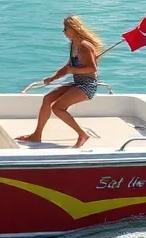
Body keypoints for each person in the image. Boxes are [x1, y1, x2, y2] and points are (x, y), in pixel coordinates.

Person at [18, 15, 102, 147]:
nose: (64, 32)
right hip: (77, 83)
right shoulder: (73, 44)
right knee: (47, 99)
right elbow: (68, 66)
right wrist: (52, 78)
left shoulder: (84, 46)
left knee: (57, 108)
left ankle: (82, 134)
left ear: (73, 29)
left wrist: (72, 70)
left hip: (87, 85)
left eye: (65, 28)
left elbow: (92, 68)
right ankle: (37, 135)